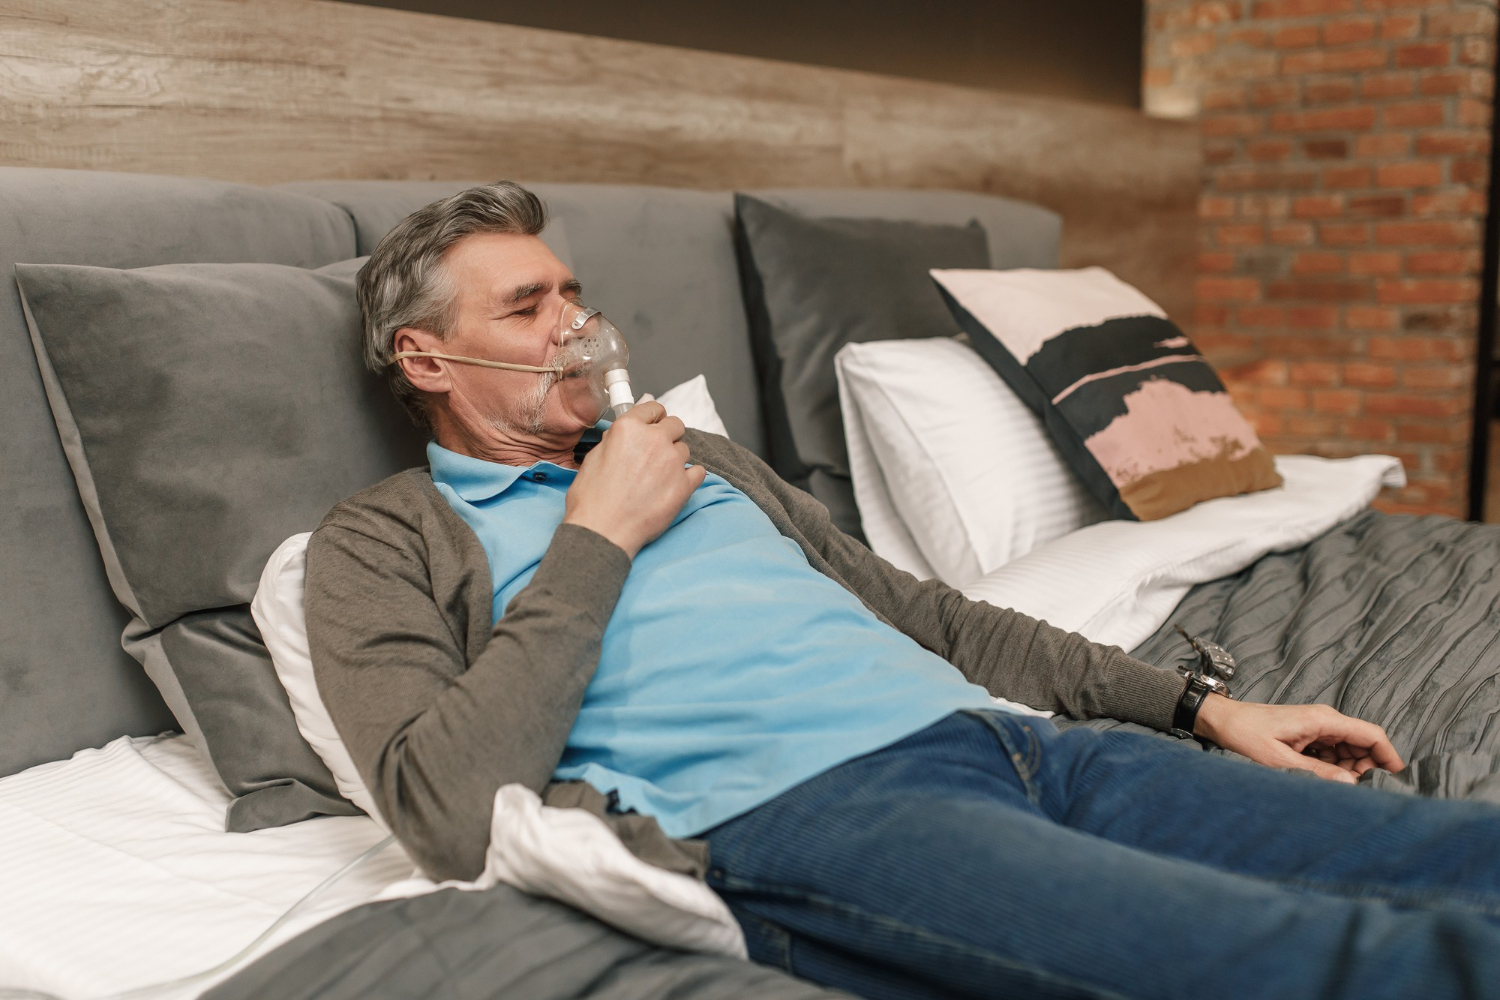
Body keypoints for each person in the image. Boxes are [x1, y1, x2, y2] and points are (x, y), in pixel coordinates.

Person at [305, 182, 1500, 1000]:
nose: (576, 325)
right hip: (813, 808)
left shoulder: (700, 456)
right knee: (1338, 960)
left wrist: (1203, 706)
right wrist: (598, 533)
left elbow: (928, 613)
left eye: (571, 292)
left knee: (1454, 854)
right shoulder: (383, 539)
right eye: (526, 308)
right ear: (426, 357)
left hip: (1022, 748)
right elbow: (441, 810)